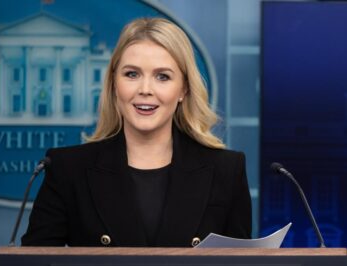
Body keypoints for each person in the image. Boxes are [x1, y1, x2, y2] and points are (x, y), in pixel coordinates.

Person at [21, 18, 251, 247]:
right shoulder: (67, 169)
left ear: (183, 89)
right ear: (113, 84)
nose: (145, 90)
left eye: (163, 76)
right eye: (132, 74)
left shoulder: (226, 171)